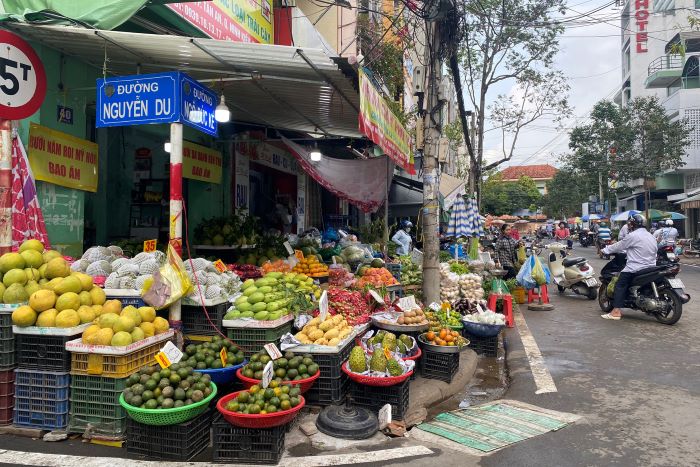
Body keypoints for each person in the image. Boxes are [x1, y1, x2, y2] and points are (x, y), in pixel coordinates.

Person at [600, 214, 657, 320]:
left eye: (630, 224)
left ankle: (616, 311)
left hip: (635, 268)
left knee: (620, 284)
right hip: (651, 267)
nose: (629, 226)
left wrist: (605, 250)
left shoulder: (633, 236)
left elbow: (619, 246)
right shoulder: (651, 236)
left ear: (633, 224)